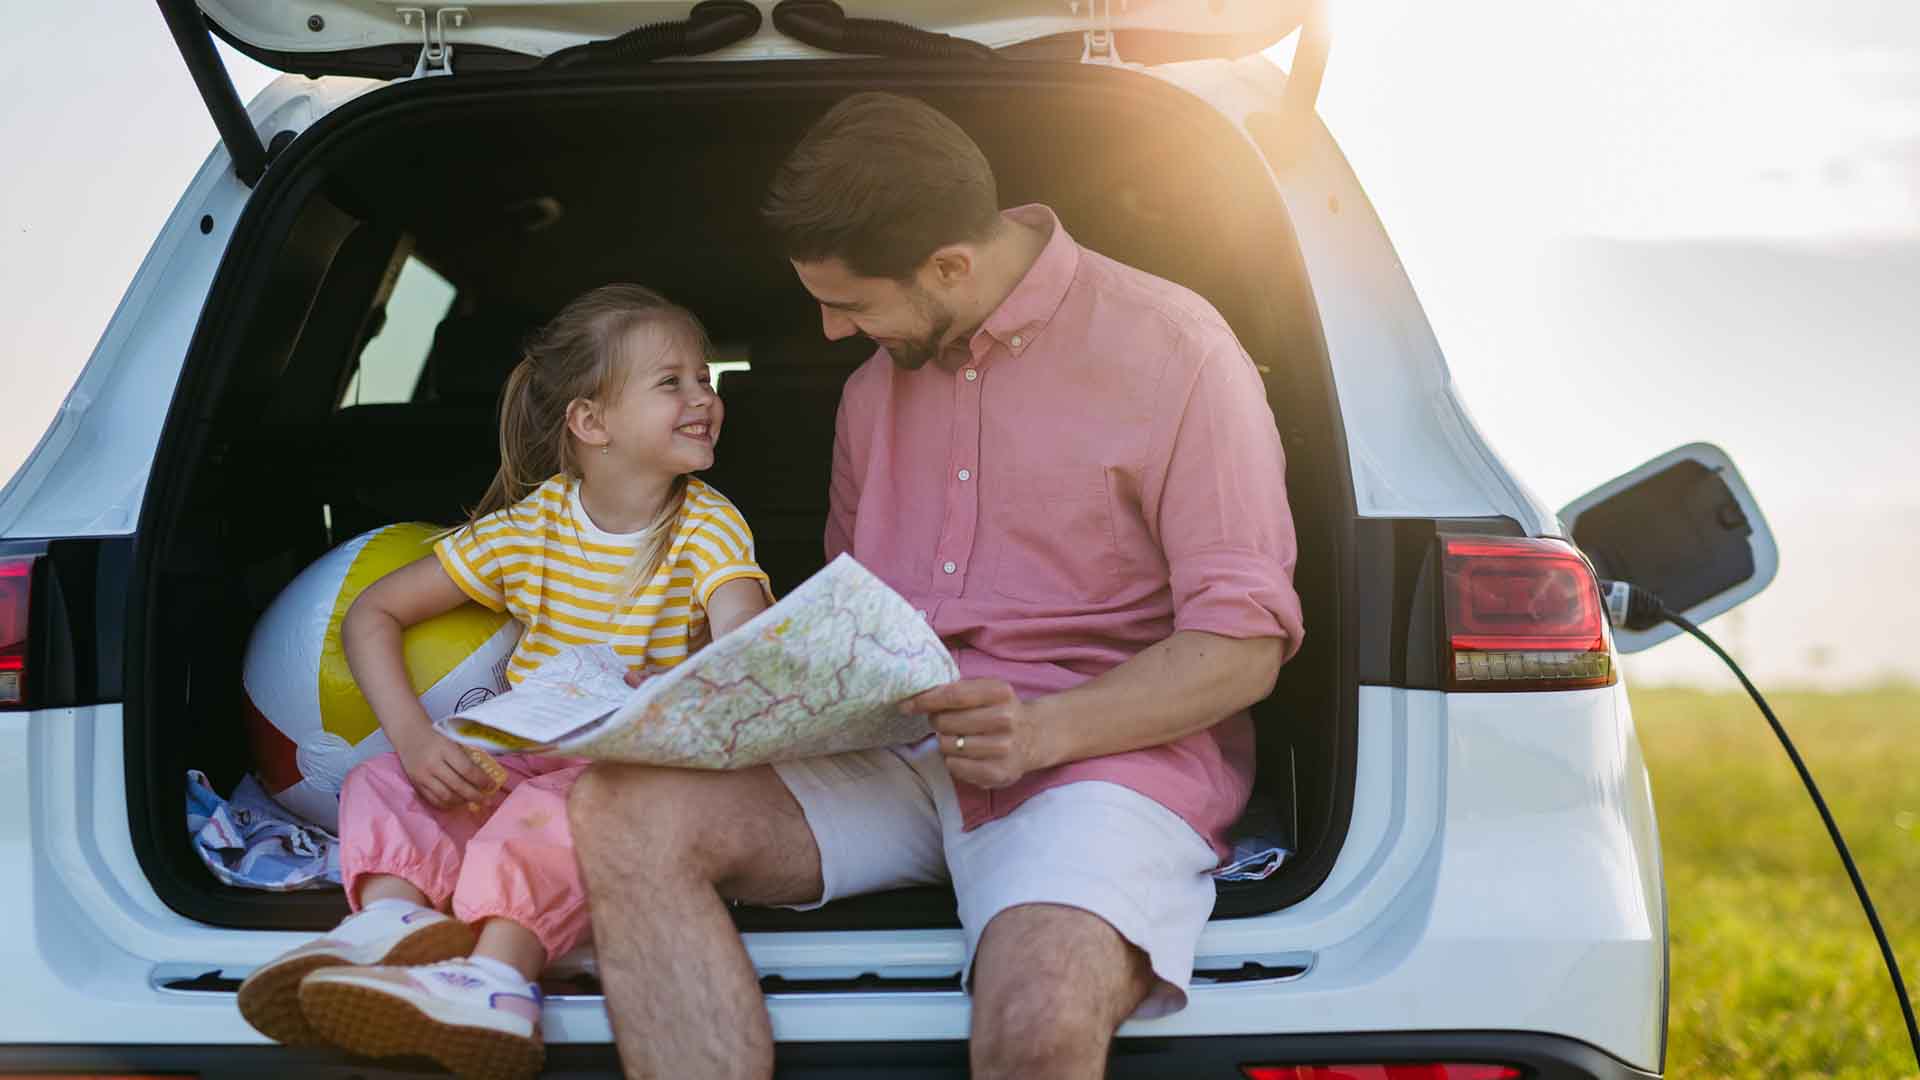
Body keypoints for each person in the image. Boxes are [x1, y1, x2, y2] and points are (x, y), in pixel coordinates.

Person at [569, 92, 1304, 1079]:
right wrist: (739, 687)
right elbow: (850, 615)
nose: (830, 331)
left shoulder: (1179, 349)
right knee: (623, 807)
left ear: (951, 266)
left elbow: (1243, 646)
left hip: (1097, 766)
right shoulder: (873, 390)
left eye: (850, 302)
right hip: (899, 754)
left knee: (1042, 1014)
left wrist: (1045, 732)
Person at [237, 284, 773, 1079]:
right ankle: (386, 926)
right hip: (527, 743)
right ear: (591, 424)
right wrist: (418, 741)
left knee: (544, 816)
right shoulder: (532, 527)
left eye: (705, 379)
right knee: (382, 779)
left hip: (628, 767)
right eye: (673, 383)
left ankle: (496, 980)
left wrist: (723, 659)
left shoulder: (705, 523)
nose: (705, 398)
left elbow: (744, 631)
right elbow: (371, 615)